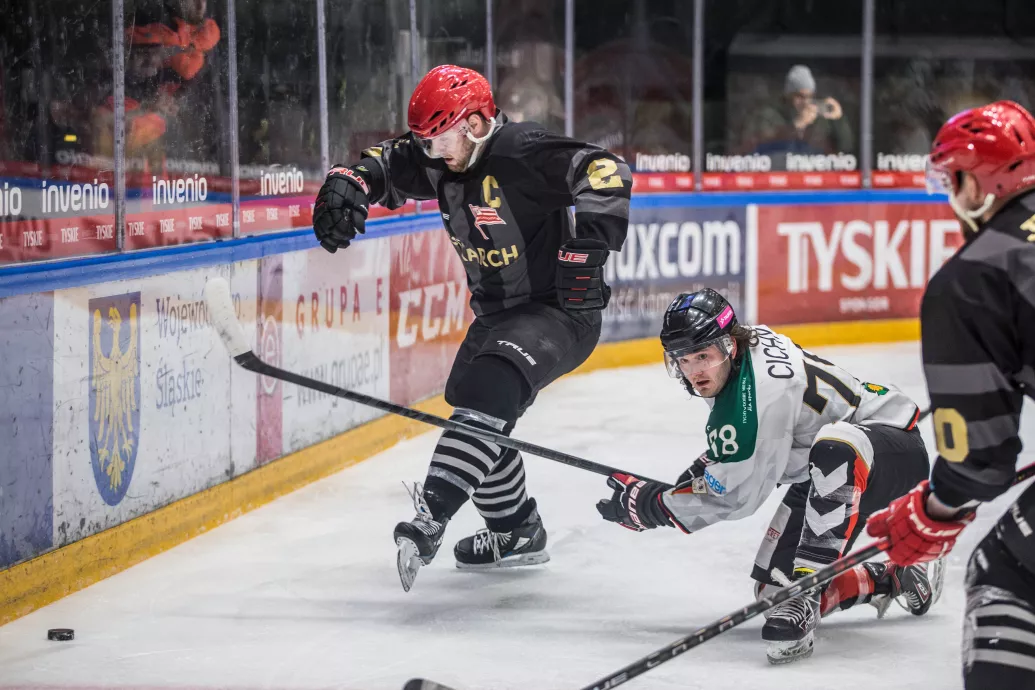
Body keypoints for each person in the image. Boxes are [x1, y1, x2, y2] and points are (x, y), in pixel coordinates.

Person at [311, 65, 631, 592]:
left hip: (559, 312)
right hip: (497, 318)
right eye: (426, 142)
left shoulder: (521, 150)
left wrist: (591, 244)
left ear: (477, 123)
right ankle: (516, 531)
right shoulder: (444, 154)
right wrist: (350, 182)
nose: (432, 153)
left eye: (440, 139)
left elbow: (605, 169)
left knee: (488, 391)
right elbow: (389, 162)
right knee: (470, 405)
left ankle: (431, 516)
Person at [596, 288, 933, 664]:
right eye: (683, 361)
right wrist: (690, 481)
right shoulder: (742, 357)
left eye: (703, 357)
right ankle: (890, 578)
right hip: (823, 473)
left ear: (729, 345)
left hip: (890, 450)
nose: (695, 373)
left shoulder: (760, 394)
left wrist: (653, 506)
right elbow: (748, 452)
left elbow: (736, 496)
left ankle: (808, 586)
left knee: (836, 445)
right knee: (773, 593)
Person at [865, 100, 1035, 689]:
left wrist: (936, 510)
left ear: (978, 183)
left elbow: (979, 459)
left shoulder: (975, 276)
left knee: (1007, 570)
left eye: (952, 179)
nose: (950, 195)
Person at [742, 64, 852, 161]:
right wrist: (797, 125)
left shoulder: (820, 119)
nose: (806, 102)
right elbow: (760, 149)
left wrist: (839, 120)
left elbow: (846, 148)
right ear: (788, 96)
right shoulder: (768, 115)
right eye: (800, 96)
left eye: (810, 96)